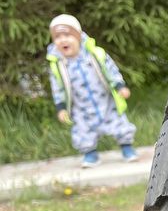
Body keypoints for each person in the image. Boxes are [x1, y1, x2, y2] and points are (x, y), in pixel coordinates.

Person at [46, 14, 138, 166]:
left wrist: (119, 86)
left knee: (118, 122)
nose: (62, 40)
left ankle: (127, 147)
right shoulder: (58, 64)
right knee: (82, 130)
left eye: (67, 35)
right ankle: (90, 154)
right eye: (57, 37)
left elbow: (110, 69)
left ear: (78, 36)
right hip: (80, 106)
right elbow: (57, 88)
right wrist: (61, 107)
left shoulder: (94, 54)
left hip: (105, 99)